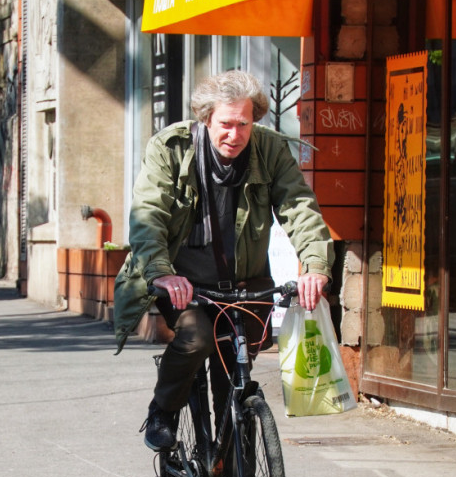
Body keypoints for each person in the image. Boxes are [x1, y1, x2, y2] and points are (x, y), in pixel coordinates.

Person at [113, 70, 334, 451]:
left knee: (235, 369)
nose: (235, 135)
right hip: (185, 287)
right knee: (196, 339)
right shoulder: (172, 148)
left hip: (245, 285)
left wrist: (315, 265)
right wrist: (161, 272)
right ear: (206, 119)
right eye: (226, 125)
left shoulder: (269, 150)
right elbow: (148, 215)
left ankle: (235, 476)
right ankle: (163, 409)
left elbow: (299, 207)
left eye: (243, 124)